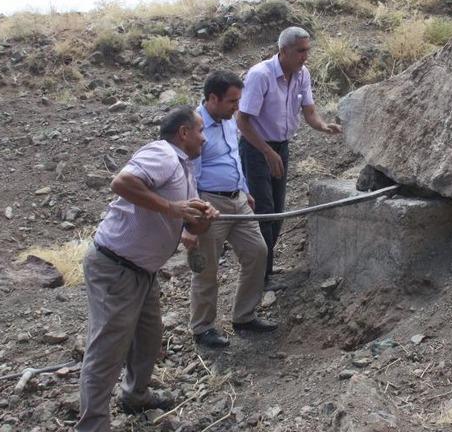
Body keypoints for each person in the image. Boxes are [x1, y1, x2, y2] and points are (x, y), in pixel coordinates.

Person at [76, 106, 219, 432]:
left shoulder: (186, 171)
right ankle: (92, 426)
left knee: (149, 338)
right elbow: (121, 182)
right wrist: (172, 207)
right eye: (199, 130)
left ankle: (135, 395)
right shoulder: (163, 154)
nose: (204, 138)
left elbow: (190, 231)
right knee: (107, 350)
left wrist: (203, 219)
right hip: (116, 267)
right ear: (183, 133)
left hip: (143, 271)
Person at [238, 26, 342, 288]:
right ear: (283, 51)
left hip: (280, 147)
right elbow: (243, 121)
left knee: (277, 210)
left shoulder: (301, 74)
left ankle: (266, 269)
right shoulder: (260, 75)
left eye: (308, 50)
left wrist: (323, 126)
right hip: (256, 148)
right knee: (263, 210)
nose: (305, 56)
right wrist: (266, 151)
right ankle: (260, 276)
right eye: (300, 51)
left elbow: (309, 112)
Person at [182, 70, 276, 349]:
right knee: (207, 267)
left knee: (258, 252)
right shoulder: (194, 127)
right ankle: (203, 328)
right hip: (209, 203)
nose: (238, 107)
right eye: (232, 101)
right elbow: (189, 174)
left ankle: (244, 316)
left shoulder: (228, 119)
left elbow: (234, 156)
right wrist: (192, 218)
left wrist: (245, 189)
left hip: (237, 200)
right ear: (213, 98)